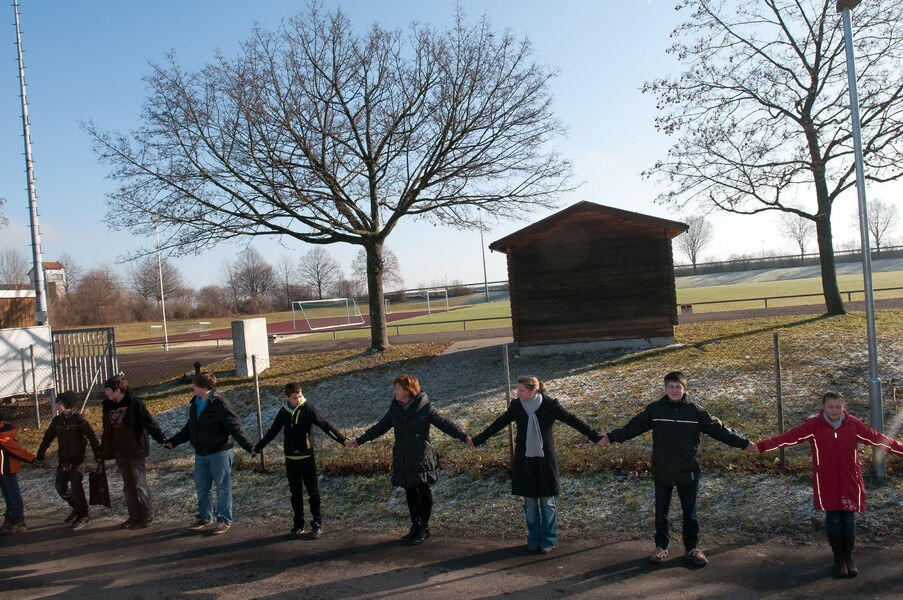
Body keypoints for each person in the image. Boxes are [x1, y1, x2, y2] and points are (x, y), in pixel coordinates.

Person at [599, 371, 756, 566]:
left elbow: (720, 430)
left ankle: (692, 548)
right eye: (670, 387)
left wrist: (744, 443)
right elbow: (633, 427)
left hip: (688, 470)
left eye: (678, 387)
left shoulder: (695, 411)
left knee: (689, 513)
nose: (674, 390)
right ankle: (661, 547)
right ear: (665, 388)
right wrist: (611, 437)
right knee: (661, 513)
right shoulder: (656, 409)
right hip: (662, 469)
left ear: (685, 389)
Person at [754, 391, 903, 578]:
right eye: (831, 407)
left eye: (838, 407)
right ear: (823, 407)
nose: (834, 410)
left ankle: (849, 557)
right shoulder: (814, 426)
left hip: (850, 481)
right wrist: (760, 446)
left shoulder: (853, 425)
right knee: (833, 518)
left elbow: (879, 439)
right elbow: (788, 438)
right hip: (826, 481)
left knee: (848, 520)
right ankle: (838, 559)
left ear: (844, 407)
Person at [471, 375, 604, 554]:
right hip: (524, 461)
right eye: (517, 390)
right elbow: (498, 424)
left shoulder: (550, 405)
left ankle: (548, 538)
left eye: (521, 390)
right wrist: (477, 440)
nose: (517, 393)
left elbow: (573, 420)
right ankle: (533, 537)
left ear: (533, 391)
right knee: (530, 503)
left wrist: (595, 437)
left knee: (547, 502)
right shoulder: (517, 407)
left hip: (545, 461)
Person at [347, 374, 471, 545]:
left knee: (422, 489)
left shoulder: (425, 407)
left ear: (408, 390)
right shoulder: (395, 409)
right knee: (410, 490)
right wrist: (359, 440)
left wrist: (464, 437)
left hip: (421, 456)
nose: (395, 391)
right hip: (403, 456)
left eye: (398, 388)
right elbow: (380, 427)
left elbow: (444, 423)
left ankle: (424, 528)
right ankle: (415, 525)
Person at [164, 372, 255, 535]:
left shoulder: (219, 404)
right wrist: (173, 441)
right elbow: (189, 428)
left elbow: (235, 426)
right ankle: (205, 517)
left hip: (220, 453)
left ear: (204, 387)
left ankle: (224, 519)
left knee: (222, 487)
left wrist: (248, 446)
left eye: (194, 385)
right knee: (202, 487)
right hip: (201, 453)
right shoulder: (195, 404)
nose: (192, 387)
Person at [252, 382, 347, 539]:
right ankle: (298, 524)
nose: (298, 399)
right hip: (291, 460)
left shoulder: (308, 409)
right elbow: (273, 431)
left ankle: (317, 523)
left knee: (313, 492)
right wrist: (258, 447)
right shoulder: (283, 412)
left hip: (307, 458)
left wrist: (343, 440)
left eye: (300, 396)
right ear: (287, 397)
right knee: (295, 493)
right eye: (295, 398)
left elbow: (325, 425)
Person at [100, 375, 167, 530]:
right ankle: (134, 516)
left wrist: (161, 439)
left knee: (139, 484)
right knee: (127, 485)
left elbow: (149, 422)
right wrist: (103, 450)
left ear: (118, 390)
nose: (107, 394)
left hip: (135, 449)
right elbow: (107, 430)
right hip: (119, 450)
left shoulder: (134, 402)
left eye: (109, 391)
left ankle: (147, 515)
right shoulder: (107, 405)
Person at [35, 391, 101, 531]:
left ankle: (83, 515)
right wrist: (40, 453)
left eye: (58, 402)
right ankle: (76, 508)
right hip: (64, 460)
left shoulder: (79, 420)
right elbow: (47, 438)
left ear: (65, 404)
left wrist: (98, 454)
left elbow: (92, 437)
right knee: (60, 487)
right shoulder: (56, 421)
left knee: (76, 486)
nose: (56, 405)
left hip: (78, 460)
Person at [0, 412, 34, 535]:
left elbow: (17, 451)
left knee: (12, 494)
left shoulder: (4, 436)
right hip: (2, 470)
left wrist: (32, 459)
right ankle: (10, 516)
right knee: (7, 494)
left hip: (7, 469)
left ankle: (19, 520)